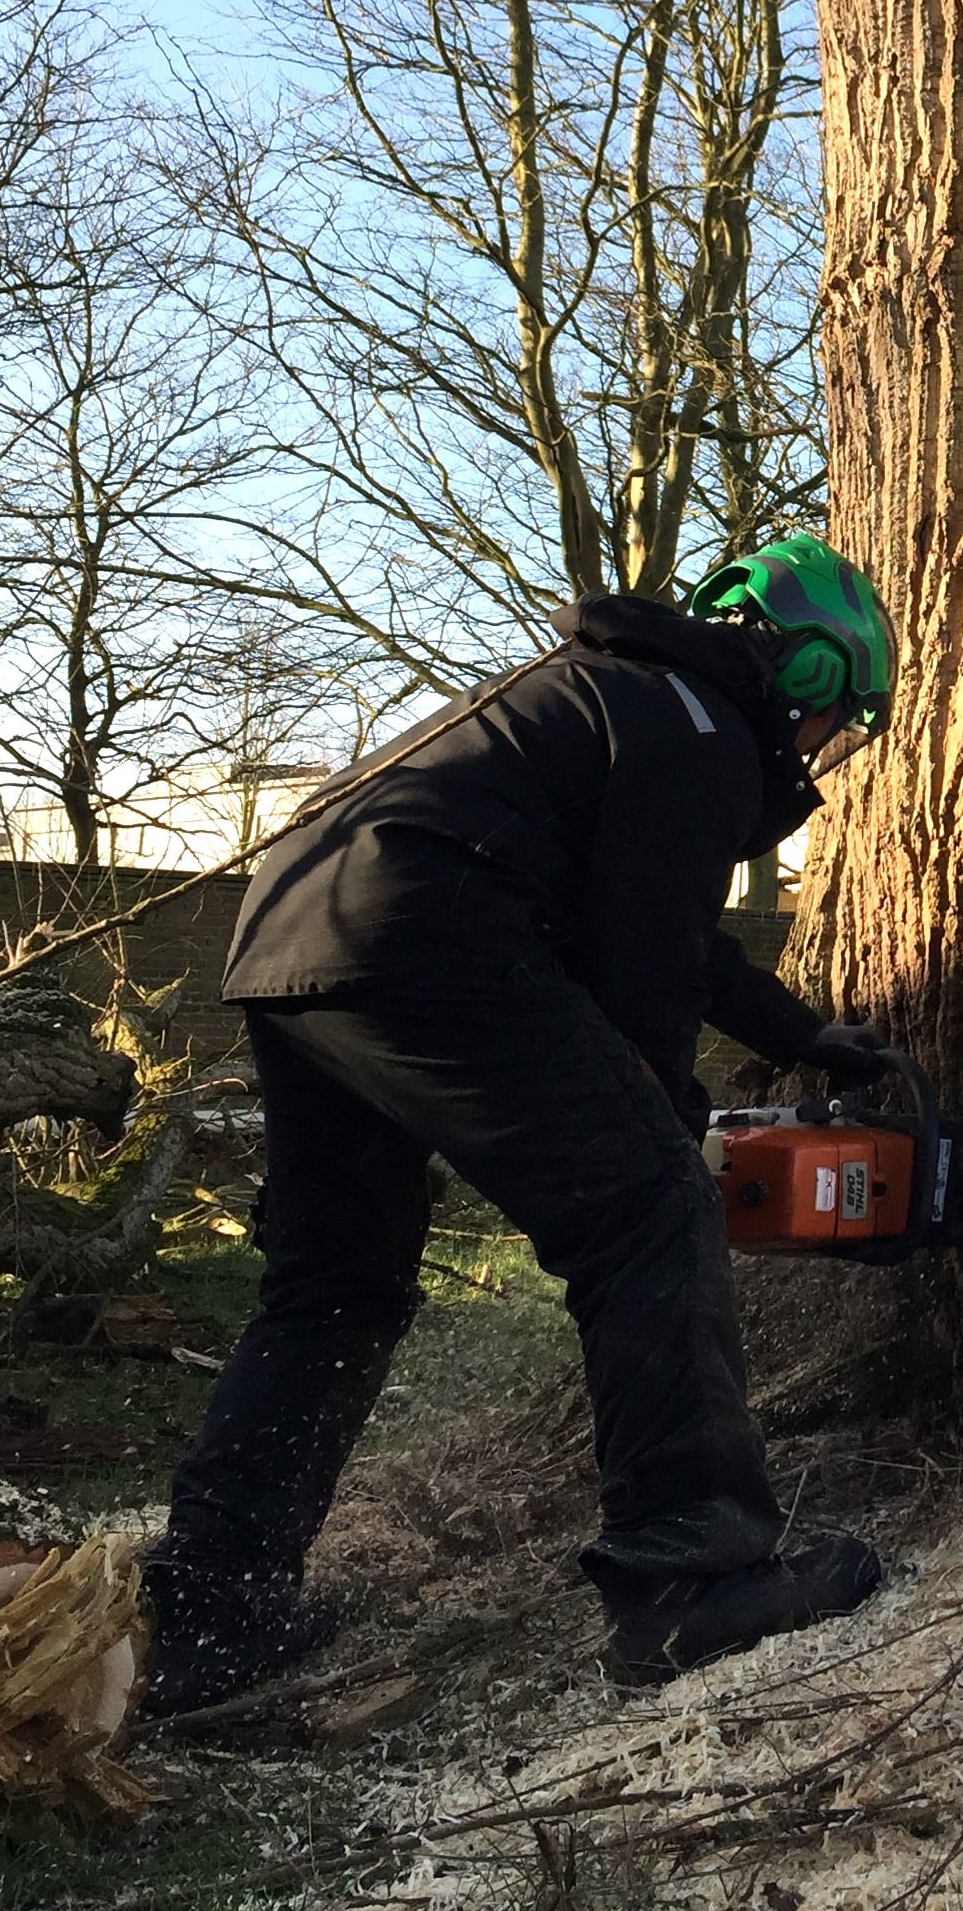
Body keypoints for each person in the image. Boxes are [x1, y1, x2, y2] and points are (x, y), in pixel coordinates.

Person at [140, 534, 900, 1712]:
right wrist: (670, 1135)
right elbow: (642, 981)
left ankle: (209, 1615)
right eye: (832, 718)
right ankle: (689, 1582)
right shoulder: (698, 726)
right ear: (796, 673)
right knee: (649, 1209)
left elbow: (675, 934)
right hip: (426, 931)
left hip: (292, 939)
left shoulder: (609, 696)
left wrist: (805, 1038)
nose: (821, 750)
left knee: (336, 1287)